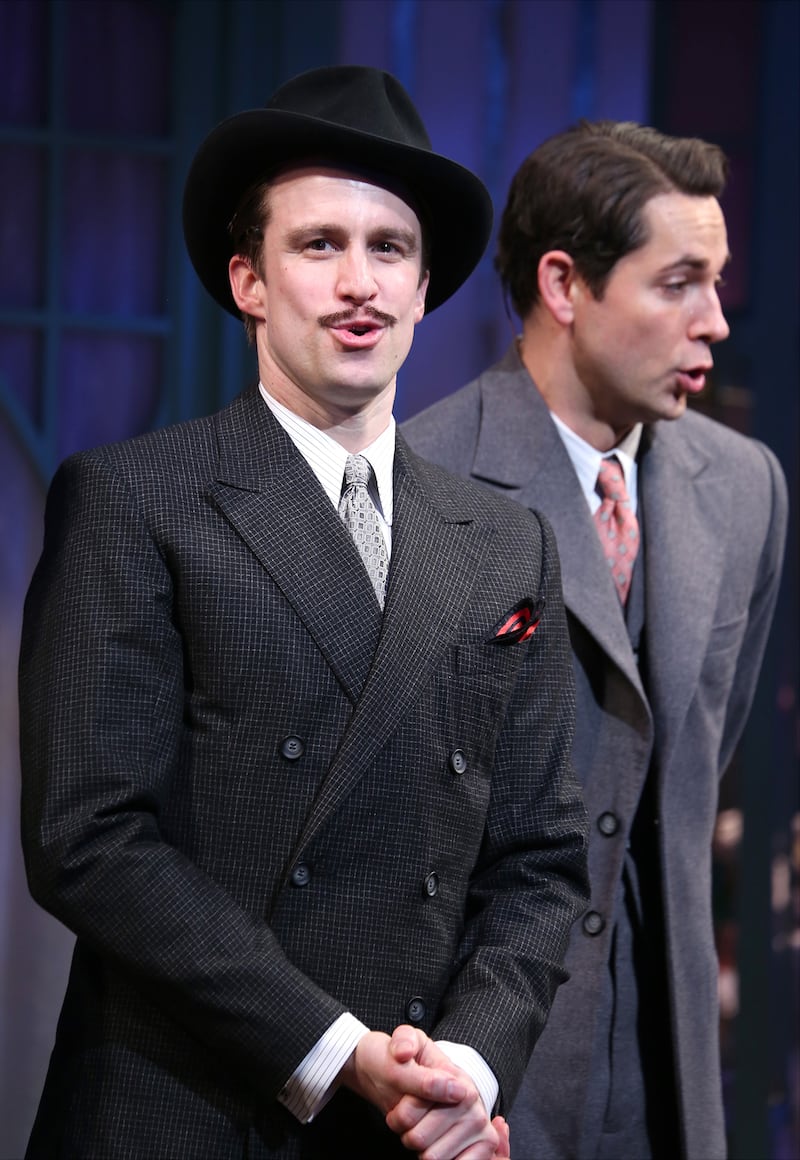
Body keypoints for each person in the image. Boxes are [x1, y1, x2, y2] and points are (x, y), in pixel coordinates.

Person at [18, 67, 589, 1160]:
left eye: (390, 249)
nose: (359, 283)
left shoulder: (506, 542)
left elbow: (539, 858)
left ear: (425, 289)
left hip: (413, 1124)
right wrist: (331, 1047)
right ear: (248, 279)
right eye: (318, 244)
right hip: (188, 1103)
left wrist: (465, 1067)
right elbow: (87, 836)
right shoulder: (137, 497)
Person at [403, 119, 788, 1160]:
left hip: (667, 1062)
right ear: (564, 284)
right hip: (481, 1068)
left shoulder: (742, 485)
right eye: (677, 283)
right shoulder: (418, 477)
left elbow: (702, 739)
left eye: (716, 281)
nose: (713, 320)